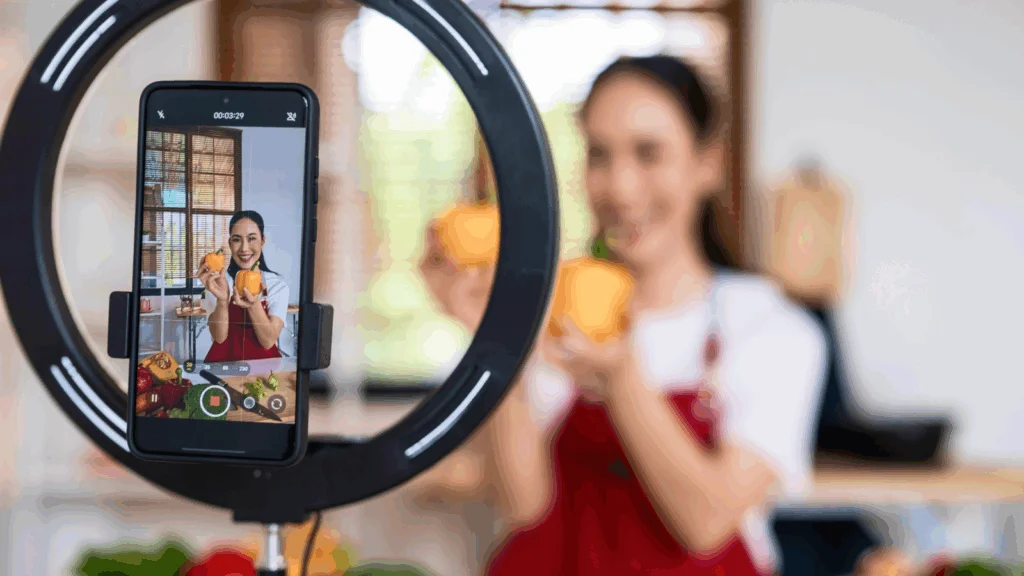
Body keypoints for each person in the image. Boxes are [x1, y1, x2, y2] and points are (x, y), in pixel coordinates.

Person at [419, 55, 828, 575]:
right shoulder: (548, 310)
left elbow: (706, 523)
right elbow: (523, 507)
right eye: (599, 155)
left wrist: (621, 379)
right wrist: (495, 334)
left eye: (649, 153)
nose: (620, 187)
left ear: (708, 164)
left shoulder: (771, 329)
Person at [198, 210, 290, 362]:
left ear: (263, 241)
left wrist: (253, 305)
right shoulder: (217, 282)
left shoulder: (277, 286)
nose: (244, 248)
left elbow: (268, 341)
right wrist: (222, 301)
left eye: (252, 238)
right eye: (237, 240)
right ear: (230, 243)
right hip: (224, 368)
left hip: (264, 371)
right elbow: (219, 338)